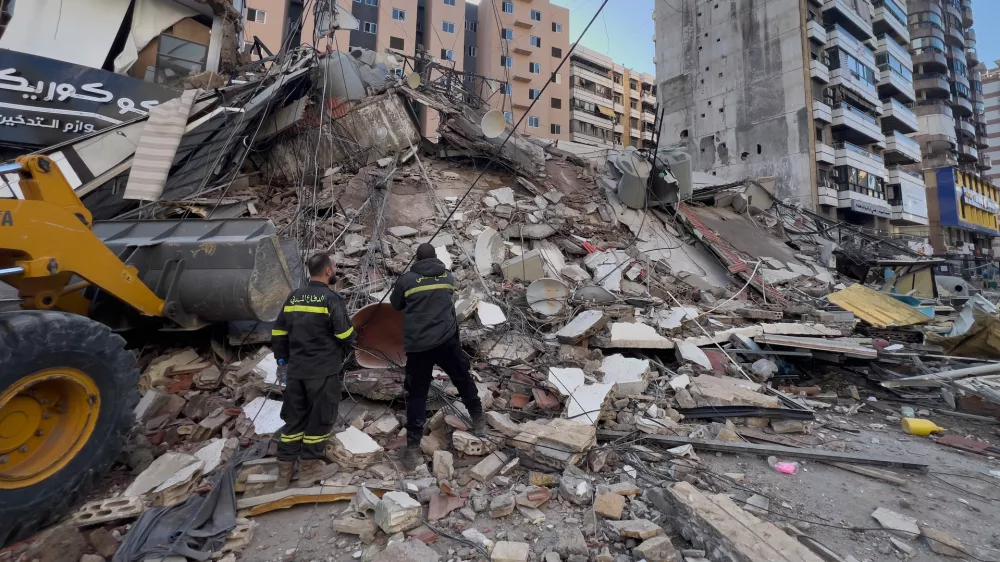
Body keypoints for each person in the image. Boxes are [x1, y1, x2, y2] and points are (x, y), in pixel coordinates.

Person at [390, 243, 485, 469]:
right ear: (435, 258)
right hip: (446, 341)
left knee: (417, 392)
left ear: (417, 260)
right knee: (462, 378)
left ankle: (413, 449)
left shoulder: (407, 280)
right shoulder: (447, 277)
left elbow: (395, 305)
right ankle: (479, 420)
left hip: (419, 346)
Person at [270, 253, 356, 490]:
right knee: (320, 418)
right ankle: (309, 468)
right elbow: (343, 335)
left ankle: (284, 473)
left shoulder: (294, 298)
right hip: (322, 371)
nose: (335, 269)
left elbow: (278, 333)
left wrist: (282, 362)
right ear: (328, 271)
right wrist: (354, 337)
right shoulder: (331, 299)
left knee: (294, 419)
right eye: (335, 266)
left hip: (296, 370)